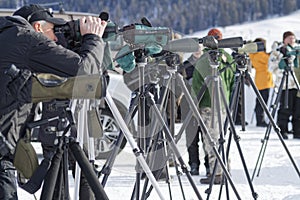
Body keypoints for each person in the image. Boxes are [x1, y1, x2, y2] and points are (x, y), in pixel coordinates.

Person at [0, 4, 107, 200]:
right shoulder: (27, 39)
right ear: (38, 28)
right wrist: (93, 39)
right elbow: (86, 72)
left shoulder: (7, 37)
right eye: (52, 31)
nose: (56, 39)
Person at [191, 28, 235, 184]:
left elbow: (197, 85)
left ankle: (217, 174)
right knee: (221, 138)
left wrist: (194, 105)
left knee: (211, 140)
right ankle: (225, 170)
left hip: (207, 105)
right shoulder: (228, 58)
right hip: (223, 105)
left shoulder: (203, 60)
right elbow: (231, 82)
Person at [179, 45, 210, 176]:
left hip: (204, 104)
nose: (197, 50)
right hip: (188, 104)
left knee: (207, 137)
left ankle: (209, 165)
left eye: (200, 48)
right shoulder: (185, 65)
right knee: (191, 137)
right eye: (195, 48)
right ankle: (193, 164)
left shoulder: (207, 64)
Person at [269, 31, 300, 139]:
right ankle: (283, 130)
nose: (292, 40)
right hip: (284, 85)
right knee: (285, 109)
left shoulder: (297, 50)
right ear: (284, 40)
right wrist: (282, 67)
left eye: (293, 38)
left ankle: (298, 131)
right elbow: (271, 68)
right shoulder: (277, 52)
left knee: (298, 110)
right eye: (289, 38)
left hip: (297, 84)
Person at [249, 38, 274, 127]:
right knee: (262, 101)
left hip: (261, 78)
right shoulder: (260, 54)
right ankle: (260, 120)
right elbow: (270, 60)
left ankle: (260, 119)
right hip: (264, 79)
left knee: (260, 100)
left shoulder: (253, 54)